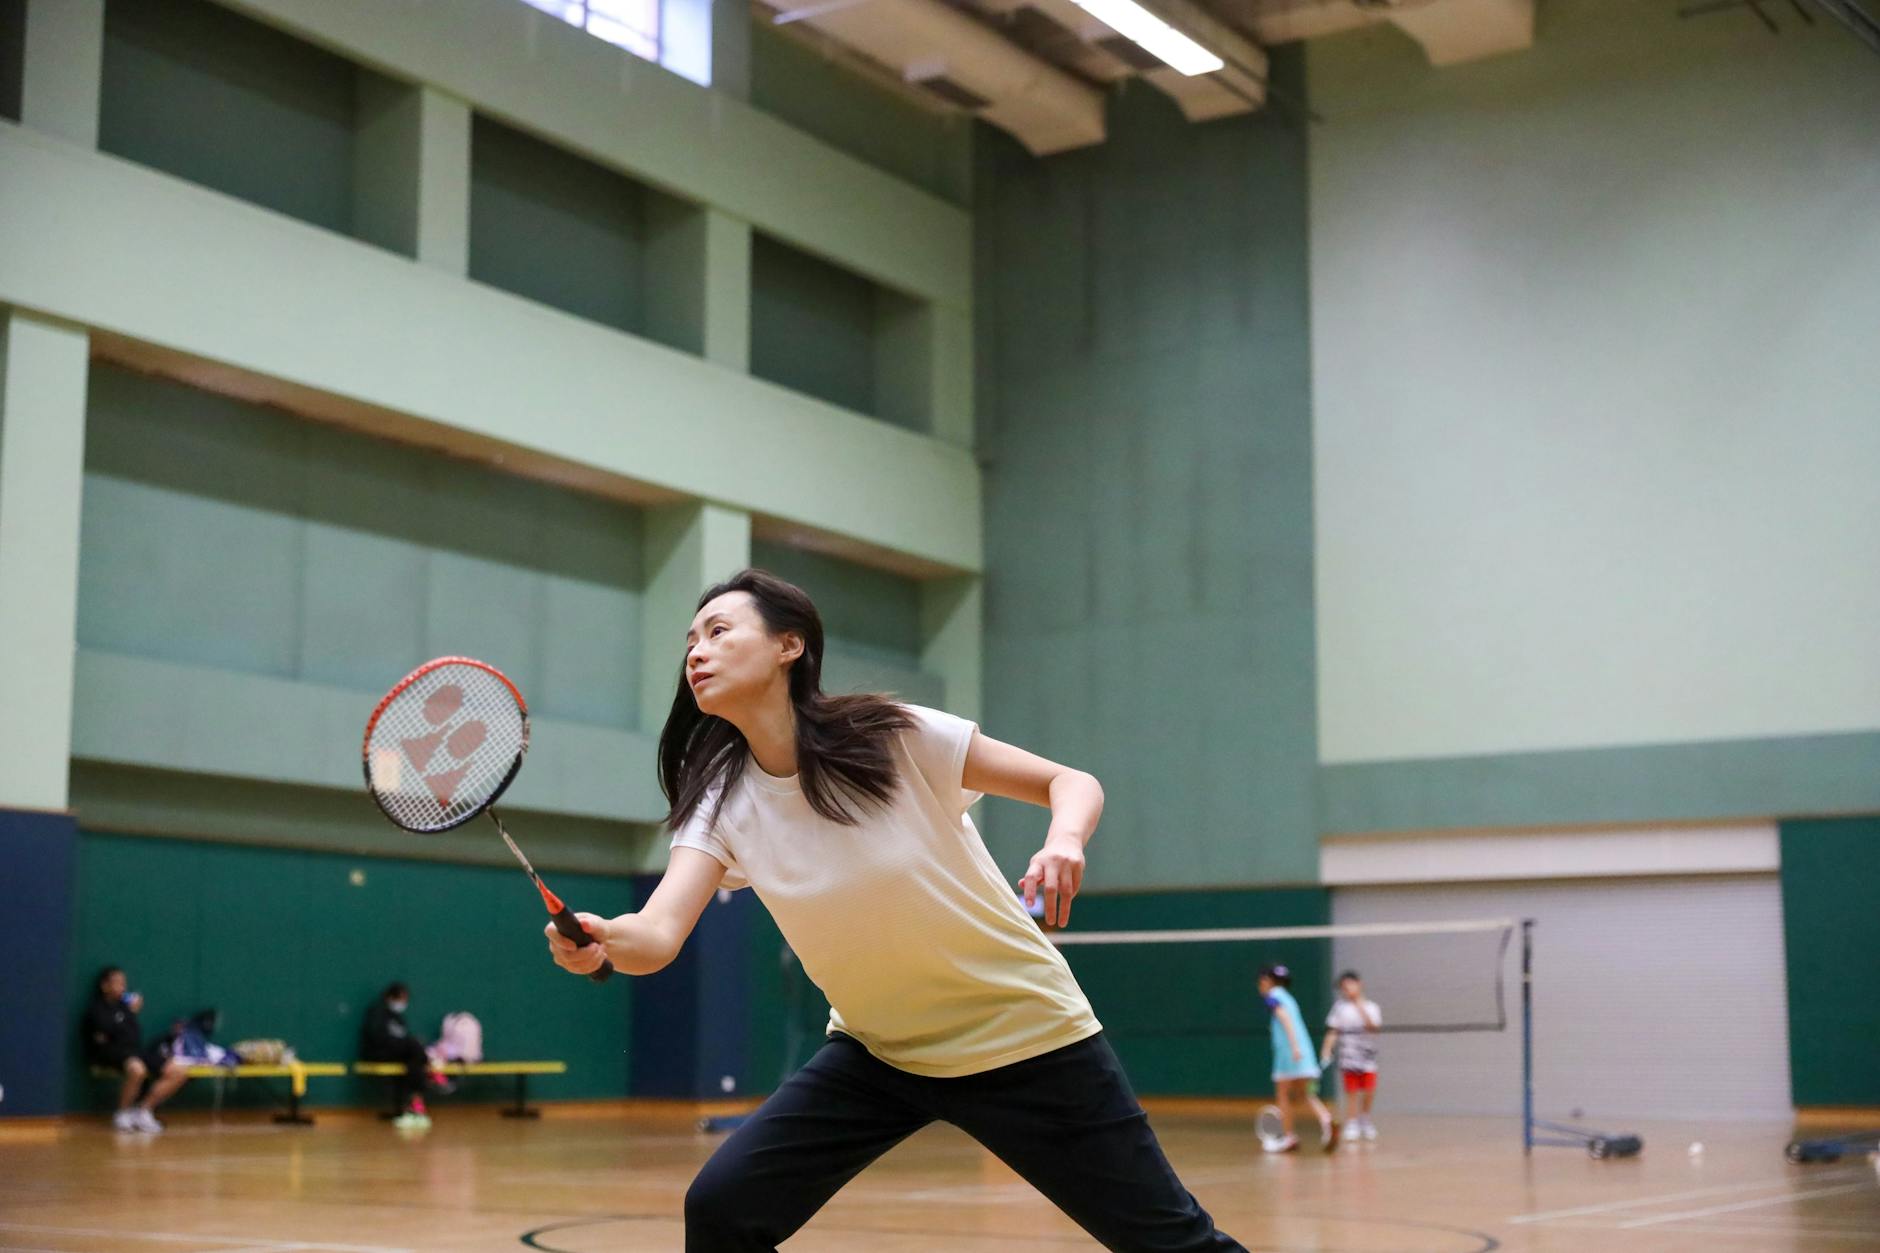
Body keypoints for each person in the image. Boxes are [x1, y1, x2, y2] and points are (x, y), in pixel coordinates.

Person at [545, 568, 1244, 1253]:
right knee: (723, 1208)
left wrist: (1064, 840)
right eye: (690, 640)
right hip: (880, 1053)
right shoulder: (721, 800)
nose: (696, 651)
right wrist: (605, 938)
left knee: (1169, 1242)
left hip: (1024, 1036)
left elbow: (1071, 781)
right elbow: (659, 933)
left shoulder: (890, 736)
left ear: (790, 645)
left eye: (719, 630)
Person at [83, 966, 189, 1133]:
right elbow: (107, 1033)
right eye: (117, 983)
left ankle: (143, 1111)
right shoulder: (97, 1009)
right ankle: (122, 1114)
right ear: (105, 986)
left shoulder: (125, 1008)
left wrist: (130, 1013)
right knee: (137, 1069)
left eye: (123, 983)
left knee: (178, 1072)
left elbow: (131, 1034)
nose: (122, 987)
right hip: (110, 1052)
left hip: (134, 1051)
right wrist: (128, 1014)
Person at [1257, 964, 1337, 1154]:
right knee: (1305, 1094)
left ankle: (1288, 1137)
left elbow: (1284, 1018)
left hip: (1289, 1054)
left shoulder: (1273, 997)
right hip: (1305, 1053)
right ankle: (1326, 1121)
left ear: (1267, 981)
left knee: (1283, 1094)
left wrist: (1294, 1047)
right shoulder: (1290, 998)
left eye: (1261, 981)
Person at [359, 981, 447, 1127]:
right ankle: (432, 1073)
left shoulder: (399, 1017)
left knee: (414, 1061)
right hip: (379, 1052)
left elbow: (403, 1036)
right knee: (415, 1049)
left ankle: (408, 1108)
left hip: (398, 1053)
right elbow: (376, 1037)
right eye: (400, 999)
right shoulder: (377, 1013)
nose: (402, 1003)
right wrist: (400, 1043)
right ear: (390, 997)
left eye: (405, 1000)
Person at [1320, 970, 1382, 1142]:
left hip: (1368, 1058)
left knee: (1369, 1091)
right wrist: (1326, 1049)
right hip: (1348, 1057)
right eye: (1343, 987)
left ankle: (1365, 1120)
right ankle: (1352, 1123)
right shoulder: (1340, 1007)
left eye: (1349, 985)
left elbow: (1373, 1028)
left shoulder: (1372, 1007)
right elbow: (1333, 1030)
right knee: (1352, 1092)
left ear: (1359, 984)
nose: (1346, 989)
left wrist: (1358, 1004)